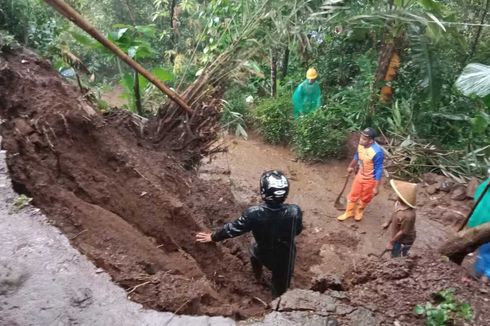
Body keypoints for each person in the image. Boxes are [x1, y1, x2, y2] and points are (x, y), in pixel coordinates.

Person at [195, 170, 303, 297]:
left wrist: (213, 237)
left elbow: (233, 229)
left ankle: (258, 276)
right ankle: (277, 304)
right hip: (285, 255)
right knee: (280, 287)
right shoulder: (294, 211)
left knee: (254, 251)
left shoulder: (253, 213)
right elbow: (297, 230)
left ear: (264, 191)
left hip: (263, 250)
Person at [337, 127, 385, 221]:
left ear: (370, 141)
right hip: (360, 174)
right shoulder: (361, 146)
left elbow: (379, 169)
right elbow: (357, 156)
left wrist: (376, 186)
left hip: (370, 179)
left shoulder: (377, 152)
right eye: (361, 137)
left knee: (366, 196)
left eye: (364, 139)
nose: (361, 140)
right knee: (353, 193)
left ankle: (359, 210)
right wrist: (351, 166)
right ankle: (349, 212)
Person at [468, 169, 490, 283]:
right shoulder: (485, 186)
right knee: (483, 249)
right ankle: (480, 272)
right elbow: (477, 203)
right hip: (483, 225)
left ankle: (486, 276)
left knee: (487, 250)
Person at [385, 180, 417, 258]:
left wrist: (391, 242)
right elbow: (394, 212)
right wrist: (388, 222)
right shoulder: (398, 204)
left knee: (397, 256)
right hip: (397, 234)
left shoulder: (408, 216)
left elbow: (403, 232)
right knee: (394, 251)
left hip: (404, 240)